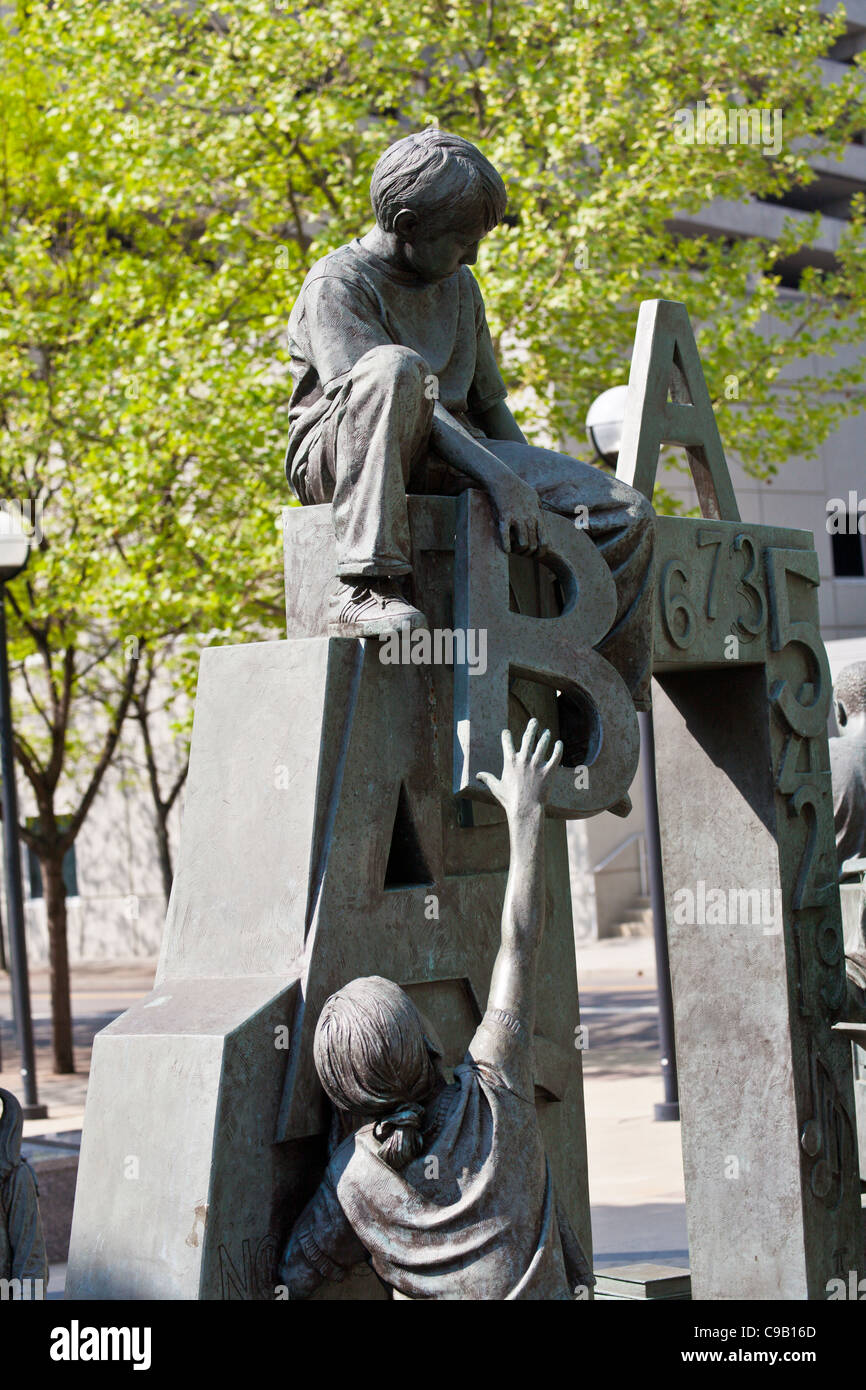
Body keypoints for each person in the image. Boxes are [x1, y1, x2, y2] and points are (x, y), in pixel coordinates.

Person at [285, 126, 655, 714]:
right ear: (406, 225)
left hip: (456, 451)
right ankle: (365, 587)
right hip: (349, 454)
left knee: (628, 513)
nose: (474, 256)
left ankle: (602, 704)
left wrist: (537, 488)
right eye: (462, 241)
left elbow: (488, 407)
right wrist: (500, 481)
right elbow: (387, 399)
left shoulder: (461, 286)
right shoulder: (337, 283)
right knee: (395, 368)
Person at [277, 719, 592, 1300]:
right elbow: (519, 941)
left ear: (344, 1098)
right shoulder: (495, 1084)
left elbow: (290, 1278)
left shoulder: (353, 1181)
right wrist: (526, 814)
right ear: (428, 1041)